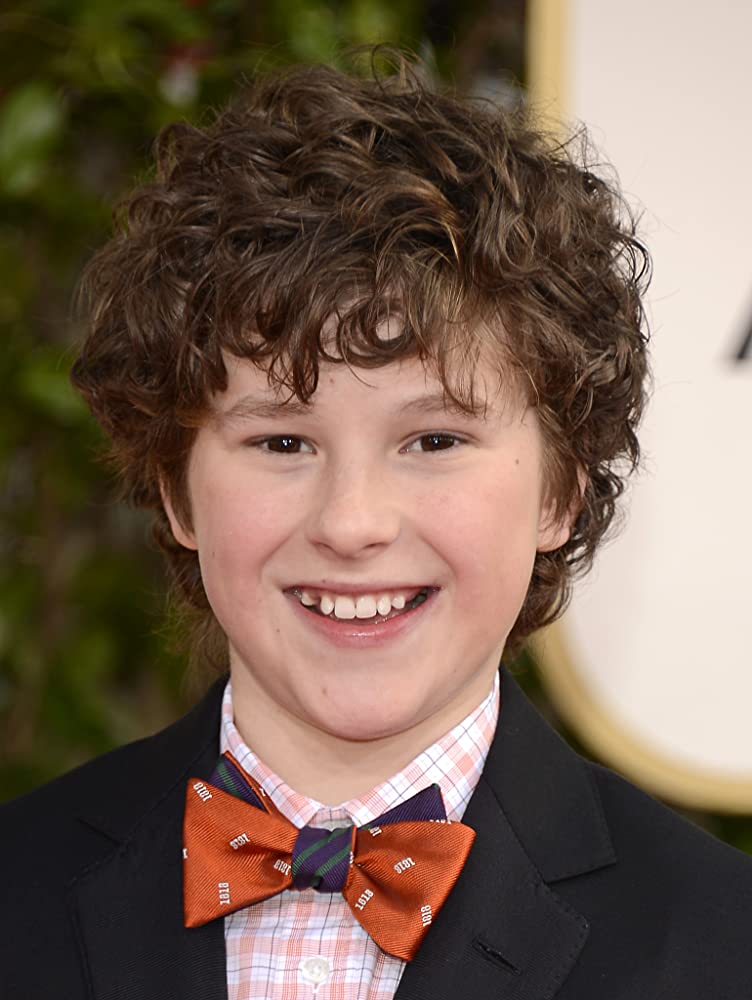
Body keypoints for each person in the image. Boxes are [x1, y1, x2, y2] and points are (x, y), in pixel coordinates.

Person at [2, 51, 751, 1000]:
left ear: (561, 489)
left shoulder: (725, 945)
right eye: (282, 442)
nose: (352, 523)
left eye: (434, 440)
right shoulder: (16, 888)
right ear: (178, 493)